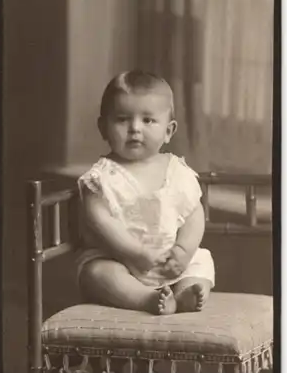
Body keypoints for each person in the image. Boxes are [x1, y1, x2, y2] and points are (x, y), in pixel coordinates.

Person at [77, 70, 215, 315]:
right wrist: (134, 253)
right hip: (121, 261)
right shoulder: (102, 177)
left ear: (169, 131)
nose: (135, 129)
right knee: (96, 273)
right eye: (122, 119)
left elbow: (194, 214)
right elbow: (98, 219)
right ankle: (146, 300)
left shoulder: (177, 171)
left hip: (171, 261)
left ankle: (187, 292)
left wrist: (183, 252)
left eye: (148, 120)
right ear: (103, 128)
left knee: (201, 262)